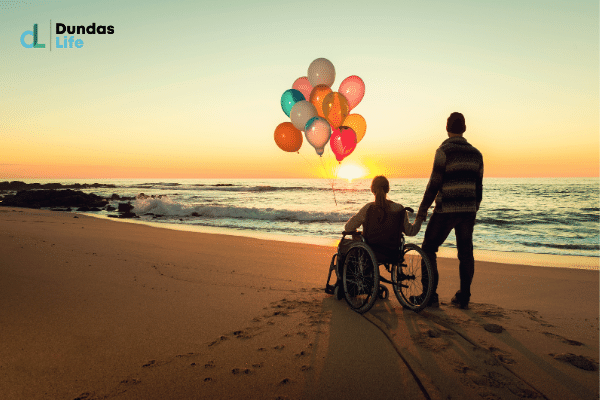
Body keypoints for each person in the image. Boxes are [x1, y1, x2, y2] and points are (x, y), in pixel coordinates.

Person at [415, 112, 484, 309]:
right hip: (468, 210)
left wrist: (422, 210)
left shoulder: (443, 151)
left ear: (447, 128)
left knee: (428, 248)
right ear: (464, 129)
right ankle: (464, 297)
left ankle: (429, 296)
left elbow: (434, 184)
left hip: (446, 209)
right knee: (465, 253)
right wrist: (473, 209)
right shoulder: (476, 154)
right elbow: (478, 188)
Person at [345, 175, 425, 260]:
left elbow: (348, 227)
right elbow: (410, 232)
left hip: (371, 251)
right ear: (388, 189)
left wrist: (357, 234)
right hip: (392, 251)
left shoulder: (368, 208)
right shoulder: (399, 208)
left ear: (372, 190)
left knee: (356, 238)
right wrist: (419, 219)